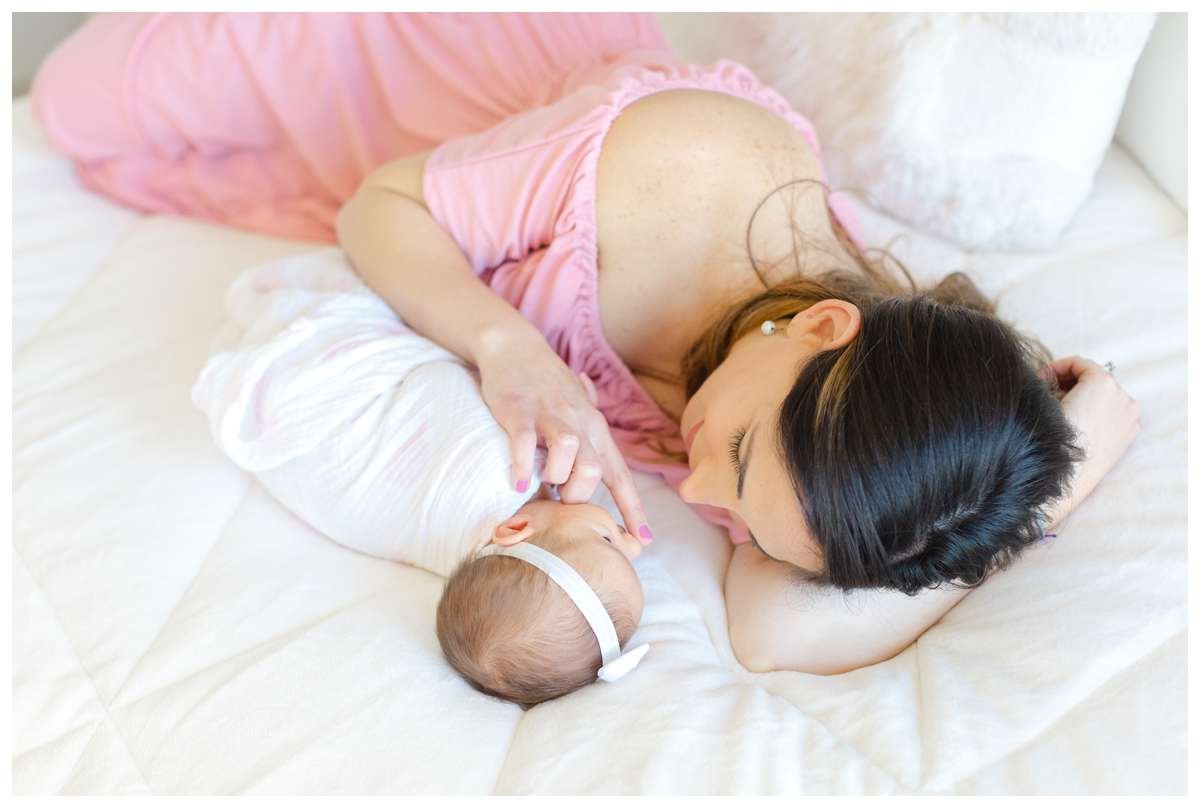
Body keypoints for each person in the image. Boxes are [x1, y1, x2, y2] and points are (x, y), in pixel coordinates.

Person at [34, 13, 1140, 675]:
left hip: (442, 185)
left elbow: (769, 635)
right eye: (738, 458)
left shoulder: (824, 459)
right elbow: (380, 213)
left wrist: (1063, 474)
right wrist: (511, 348)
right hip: (413, 67)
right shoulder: (672, 167)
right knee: (75, 108)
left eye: (740, 514)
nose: (698, 482)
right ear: (821, 326)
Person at [191, 250, 650, 706]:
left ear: (515, 530)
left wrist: (568, 405)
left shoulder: (503, 474)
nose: (631, 541)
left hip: (315, 370)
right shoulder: (450, 551)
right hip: (266, 411)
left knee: (410, 321)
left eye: (612, 543)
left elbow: (469, 393)